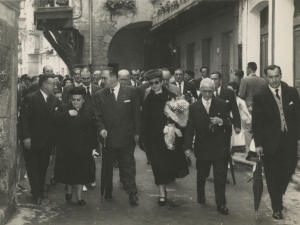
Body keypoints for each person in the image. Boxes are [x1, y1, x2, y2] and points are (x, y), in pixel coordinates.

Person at [252, 65, 300, 220]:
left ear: (281, 75)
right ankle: (277, 207)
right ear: (266, 77)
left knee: (288, 171)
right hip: (270, 143)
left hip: (290, 141)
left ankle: (278, 194)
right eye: (270, 77)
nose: (274, 80)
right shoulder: (260, 96)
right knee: (272, 175)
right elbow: (257, 122)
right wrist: (258, 144)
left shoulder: (292, 92)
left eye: (276, 76)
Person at [140, 69, 189, 206]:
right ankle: (162, 192)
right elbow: (144, 120)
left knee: (167, 164)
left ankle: (165, 186)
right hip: (154, 138)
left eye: (156, 82)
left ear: (162, 82)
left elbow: (181, 117)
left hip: (170, 137)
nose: (154, 85)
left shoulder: (172, 97)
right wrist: (143, 138)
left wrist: (174, 125)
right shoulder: (148, 100)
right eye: (151, 83)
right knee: (157, 165)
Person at [94, 68, 141, 204]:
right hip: (109, 136)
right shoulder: (99, 95)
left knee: (128, 165)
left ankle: (132, 192)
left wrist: (137, 133)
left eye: (105, 78)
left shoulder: (131, 91)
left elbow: (137, 114)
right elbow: (97, 116)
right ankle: (108, 190)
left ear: (114, 77)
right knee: (107, 166)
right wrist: (101, 128)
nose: (102, 81)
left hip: (126, 136)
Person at [185, 78, 231, 215]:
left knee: (220, 176)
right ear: (200, 90)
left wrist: (221, 121)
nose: (207, 94)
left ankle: (221, 203)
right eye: (204, 91)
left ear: (214, 91)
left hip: (218, 147)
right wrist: (187, 147)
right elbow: (189, 128)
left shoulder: (221, 104)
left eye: (210, 91)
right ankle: (201, 194)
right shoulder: (194, 106)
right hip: (202, 146)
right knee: (202, 173)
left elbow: (230, 122)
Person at [19, 75, 61, 205]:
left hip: (47, 140)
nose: (55, 86)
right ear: (44, 84)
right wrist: (26, 137)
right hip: (32, 140)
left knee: (43, 166)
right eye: (52, 84)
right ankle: (37, 194)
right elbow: (24, 119)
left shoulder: (54, 100)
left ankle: (40, 190)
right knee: (33, 167)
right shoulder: (31, 98)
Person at [53, 87, 98, 206]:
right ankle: (68, 190)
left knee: (81, 172)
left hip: (83, 147)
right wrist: (67, 114)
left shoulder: (90, 110)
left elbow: (93, 131)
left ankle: (79, 196)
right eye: (73, 100)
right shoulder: (63, 108)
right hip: (67, 146)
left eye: (78, 100)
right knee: (69, 170)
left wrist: (94, 148)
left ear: (83, 100)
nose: (76, 102)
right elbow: (54, 121)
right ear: (69, 99)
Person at [238, 62, 265, 160]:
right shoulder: (262, 80)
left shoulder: (245, 79)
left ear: (249, 69)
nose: (246, 70)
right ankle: (256, 150)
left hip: (247, 107)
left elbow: (242, 94)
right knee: (257, 128)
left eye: (246, 68)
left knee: (247, 130)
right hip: (260, 108)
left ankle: (249, 150)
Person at [227, 81, 251, 155]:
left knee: (235, 143)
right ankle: (229, 159)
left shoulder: (239, 101)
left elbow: (244, 112)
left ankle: (230, 158)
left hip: (238, 124)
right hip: (229, 122)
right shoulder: (226, 99)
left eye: (230, 89)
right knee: (230, 142)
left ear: (235, 90)